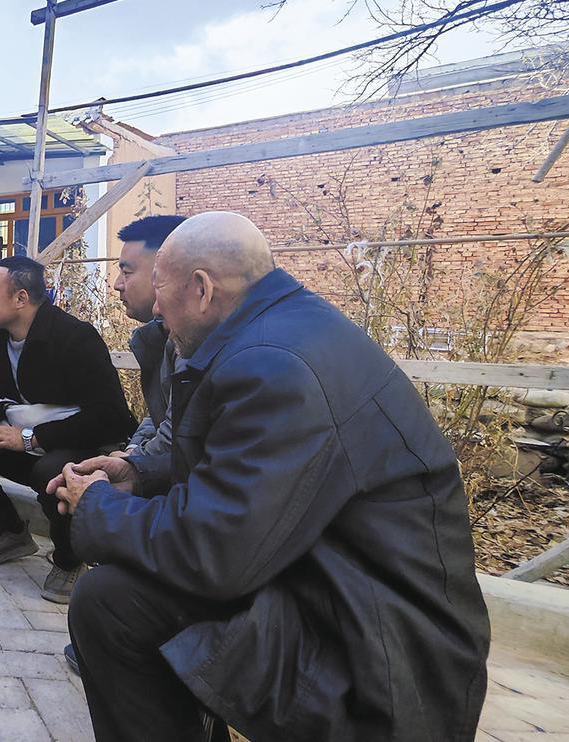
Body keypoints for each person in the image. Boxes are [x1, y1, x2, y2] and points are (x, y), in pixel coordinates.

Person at [50, 212, 490, 742]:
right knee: (122, 593)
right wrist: (135, 473)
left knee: (111, 604)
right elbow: (239, 467)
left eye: (160, 289)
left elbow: (216, 551)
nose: (156, 308)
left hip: (381, 660)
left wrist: (98, 505)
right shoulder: (276, 331)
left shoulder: (275, 366)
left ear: (202, 289)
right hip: (328, 591)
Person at [0, 256, 134, 604]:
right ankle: (9, 533)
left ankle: (70, 560)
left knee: (52, 471)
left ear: (21, 298)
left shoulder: (75, 338)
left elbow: (109, 415)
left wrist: (32, 438)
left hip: (82, 441)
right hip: (24, 435)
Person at [110, 215, 186, 458]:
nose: (117, 284)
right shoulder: (159, 336)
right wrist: (133, 450)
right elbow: (159, 416)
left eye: (127, 272)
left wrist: (133, 464)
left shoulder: (192, 342)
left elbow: (178, 437)